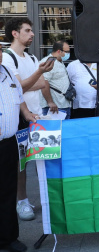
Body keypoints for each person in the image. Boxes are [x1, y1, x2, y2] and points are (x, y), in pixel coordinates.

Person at [2, 17, 54, 222]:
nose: (32, 34)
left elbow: (40, 84)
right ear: (15, 33)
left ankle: (42, 199)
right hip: (19, 118)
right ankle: (21, 201)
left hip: (36, 114)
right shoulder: (8, 58)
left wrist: (27, 83)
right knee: (20, 163)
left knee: (41, 158)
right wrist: (34, 78)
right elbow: (18, 88)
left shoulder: (31, 58)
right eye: (28, 30)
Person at [0, 41, 38, 252]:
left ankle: (8, 239)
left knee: (7, 192)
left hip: (8, 143)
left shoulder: (6, 72)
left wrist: (27, 114)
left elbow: (18, 97)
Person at [39, 40, 72, 119]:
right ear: (59, 51)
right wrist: (50, 102)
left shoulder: (60, 61)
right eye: (67, 52)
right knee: (54, 130)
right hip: (54, 108)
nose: (68, 54)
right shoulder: (48, 62)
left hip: (64, 104)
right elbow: (44, 82)